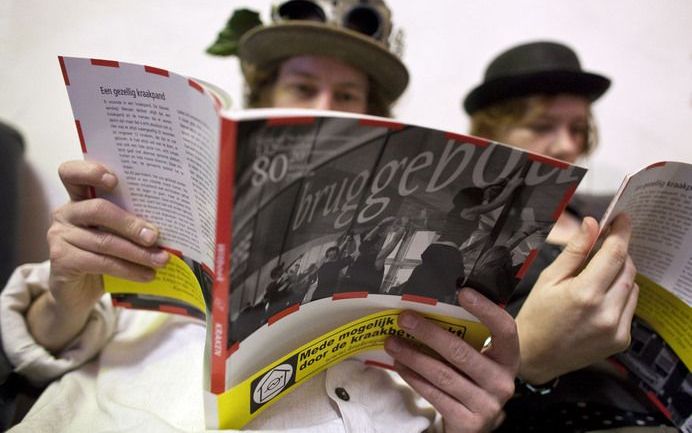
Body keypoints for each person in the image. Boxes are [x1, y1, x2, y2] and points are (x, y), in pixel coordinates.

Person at [0, 2, 519, 432]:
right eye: (301, 87)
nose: (323, 108)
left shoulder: (416, 338)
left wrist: (471, 421)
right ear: (261, 100)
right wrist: (65, 298)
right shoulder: (161, 218)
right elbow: (42, 344)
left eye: (345, 96)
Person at [462, 41, 676, 432]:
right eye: (542, 126)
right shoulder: (469, 233)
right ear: (491, 130)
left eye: (578, 129)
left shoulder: (598, 210)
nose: (566, 145)